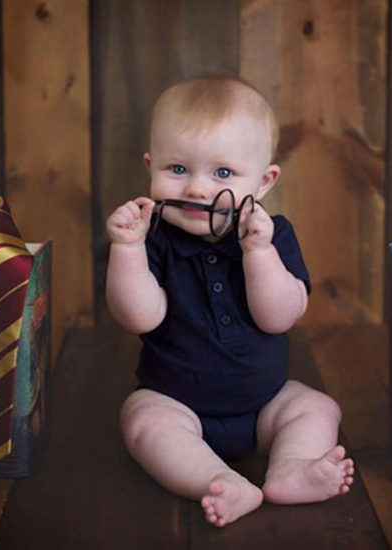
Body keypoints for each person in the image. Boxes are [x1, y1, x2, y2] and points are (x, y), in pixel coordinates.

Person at [105, 75, 353, 528]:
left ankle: (290, 468)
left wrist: (259, 254)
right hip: (176, 401)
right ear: (150, 167)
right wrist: (127, 250)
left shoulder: (273, 237)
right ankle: (217, 479)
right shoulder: (153, 238)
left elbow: (279, 318)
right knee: (141, 420)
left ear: (263, 181)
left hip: (266, 402)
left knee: (317, 407)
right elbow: (140, 316)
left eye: (222, 173)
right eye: (177, 170)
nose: (198, 190)